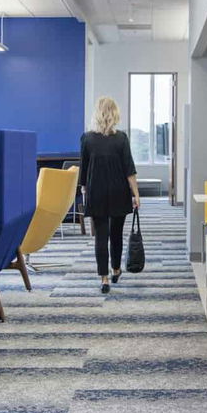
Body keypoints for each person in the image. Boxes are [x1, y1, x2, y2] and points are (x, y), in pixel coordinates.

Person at [79, 96, 141, 294]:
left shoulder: (86, 138)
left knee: (100, 236)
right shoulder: (121, 138)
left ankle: (104, 278)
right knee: (116, 234)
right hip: (118, 192)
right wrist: (136, 194)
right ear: (115, 113)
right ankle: (115, 269)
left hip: (96, 193)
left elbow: (84, 170)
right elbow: (129, 170)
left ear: (96, 113)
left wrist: (84, 190)